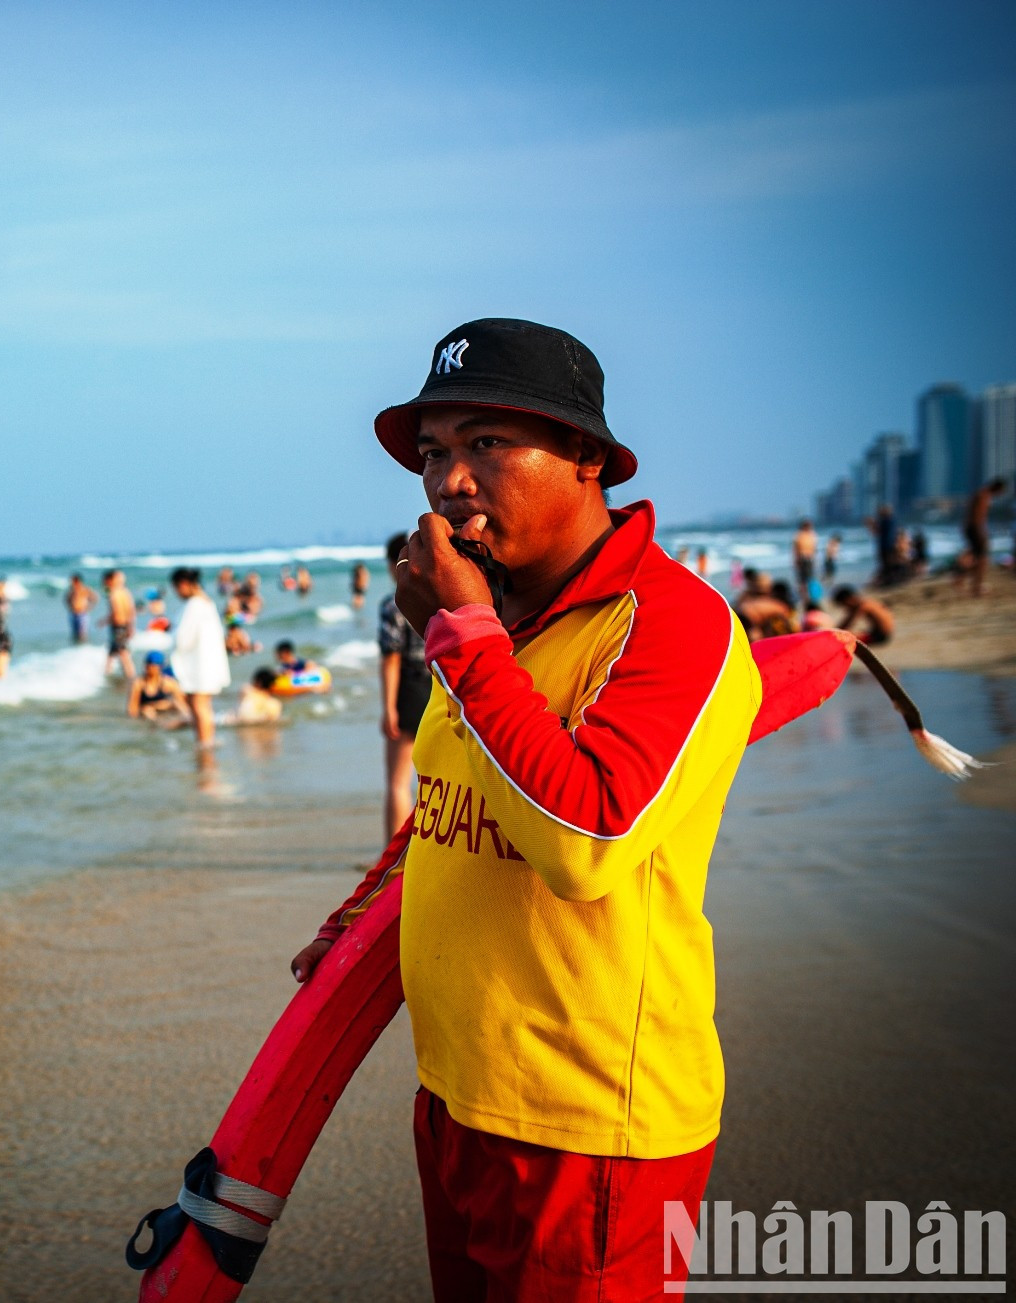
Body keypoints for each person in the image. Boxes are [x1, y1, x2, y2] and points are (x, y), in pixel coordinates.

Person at [289, 318, 760, 1299]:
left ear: (584, 455)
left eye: (488, 443)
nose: (449, 480)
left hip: (589, 1129)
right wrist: (356, 920)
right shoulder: (496, 620)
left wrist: (461, 638)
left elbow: (587, 839)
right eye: (433, 452)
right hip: (459, 1099)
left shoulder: (672, 621)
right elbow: (449, 799)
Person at [378, 531, 433, 838]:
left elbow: (391, 658)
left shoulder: (393, 604)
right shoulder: (434, 597)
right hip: (438, 687)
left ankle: (393, 855)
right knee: (435, 780)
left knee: (398, 782)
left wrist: (388, 708)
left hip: (409, 691)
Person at [169, 567, 231, 750]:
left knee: (199, 705)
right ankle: (207, 743)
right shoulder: (206, 602)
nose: (177, 593)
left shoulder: (194, 605)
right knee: (203, 705)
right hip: (208, 663)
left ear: (183, 584)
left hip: (200, 665)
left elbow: (183, 639)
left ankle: (204, 745)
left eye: (176, 588)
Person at [964, 479, 1005, 597]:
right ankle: (977, 587)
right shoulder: (984, 495)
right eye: (1001, 491)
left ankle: (974, 585)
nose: (1001, 494)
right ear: (997, 488)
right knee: (982, 559)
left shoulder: (981, 494)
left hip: (971, 528)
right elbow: (978, 517)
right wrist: (981, 533)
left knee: (975, 557)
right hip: (975, 529)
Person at [127, 650, 187, 721]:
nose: (149, 668)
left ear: (160, 667)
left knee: (177, 705)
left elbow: (183, 704)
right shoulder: (139, 684)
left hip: (166, 710)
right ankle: (158, 723)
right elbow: (132, 710)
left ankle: (185, 721)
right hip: (148, 713)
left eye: (152, 666)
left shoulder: (169, 683)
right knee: (147, 711)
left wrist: (158, 705)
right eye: (148, 665)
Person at [102, 569, 136, 679]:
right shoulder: (125, 591)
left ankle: (131, 677)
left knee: (123, 653)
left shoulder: (113, 593)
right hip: (125, 625)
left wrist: (105, 621)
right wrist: (131, 626)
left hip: (118, 626)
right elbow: (131, 610)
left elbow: (115, 612)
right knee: (112, 652)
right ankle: (106, 674)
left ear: (109, 581)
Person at [65, 573, 97, 643]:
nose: (70, 583)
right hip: (73, 614)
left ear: (77, 581)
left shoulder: (85, 589)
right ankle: (76, 647)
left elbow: (95, 598)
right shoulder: (71, 590)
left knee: (82, 634)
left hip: (82, 614)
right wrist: (70, 607)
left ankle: (83, 646)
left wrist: (89, 608)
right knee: (74, 634)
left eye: (71, 581)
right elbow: (67, 599)